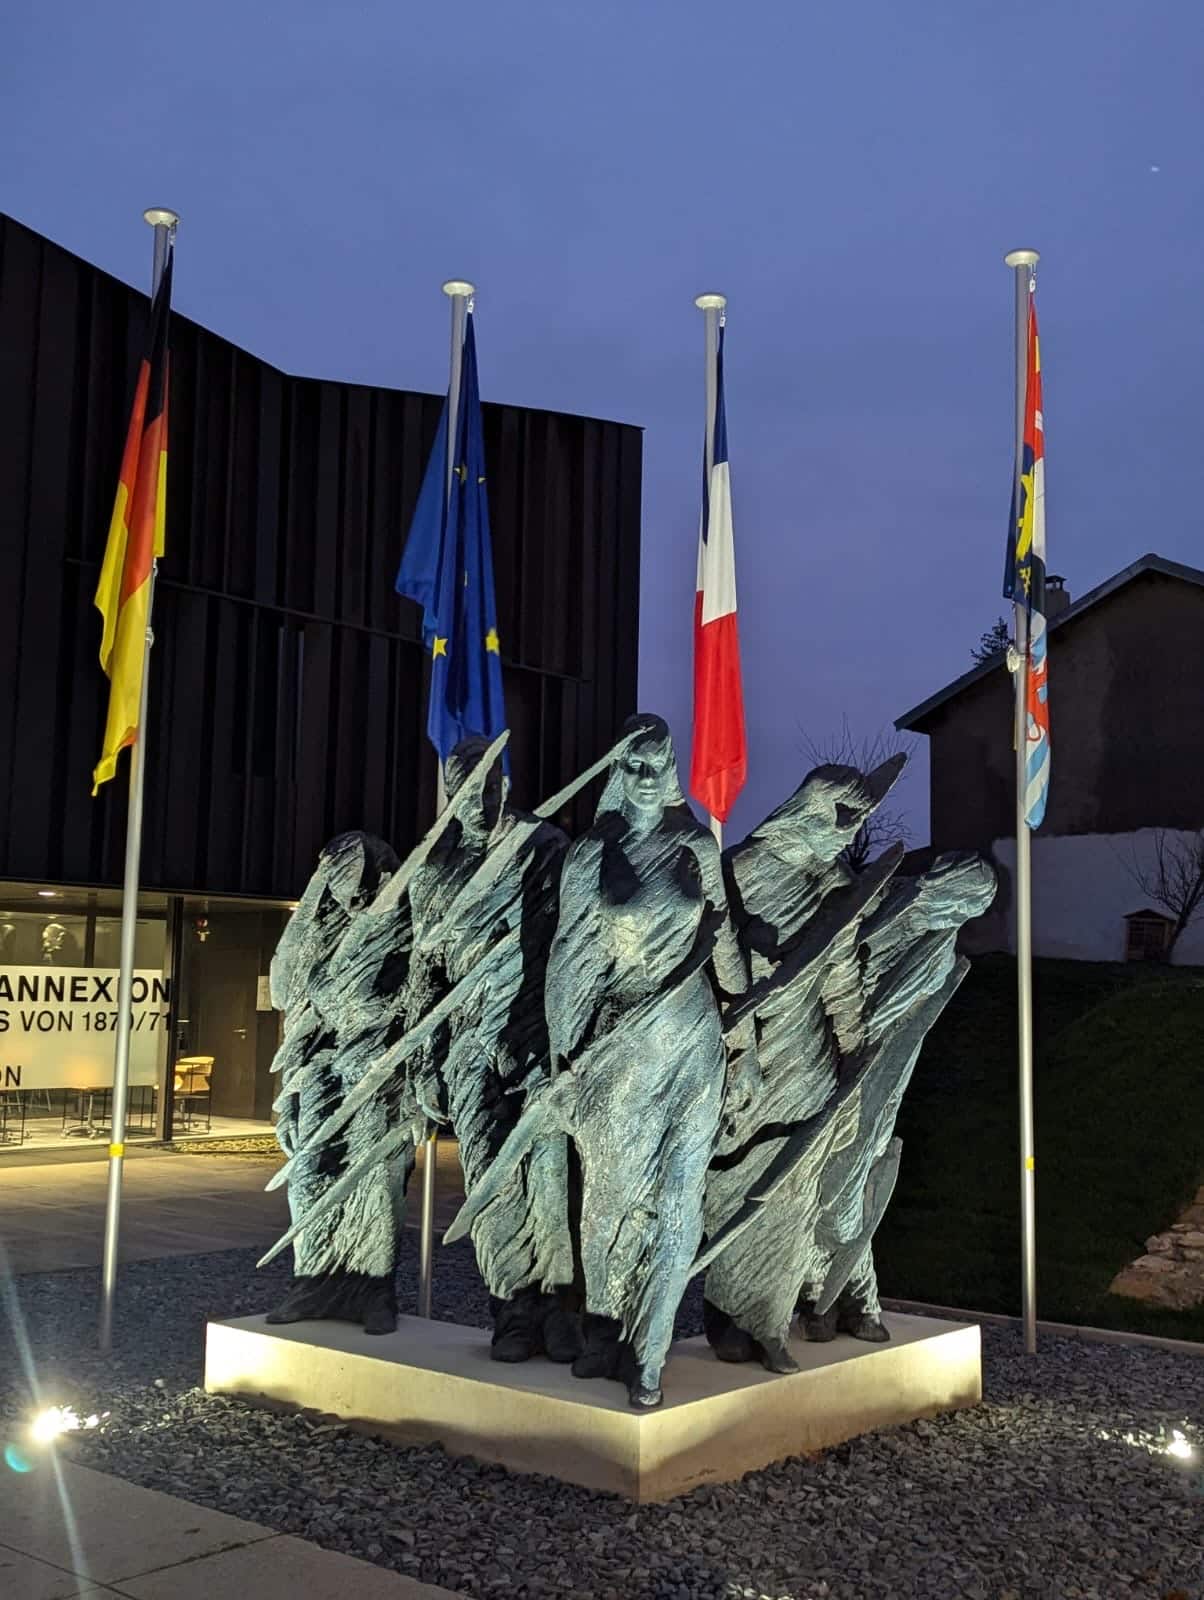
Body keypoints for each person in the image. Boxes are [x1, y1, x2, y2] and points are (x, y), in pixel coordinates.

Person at [545, 713, 755, 1408]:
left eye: (656, 765)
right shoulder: (589, 855)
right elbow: (568, 965)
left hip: (692, 1038)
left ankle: (651, 1346)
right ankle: (604, 1323)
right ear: (616, 771)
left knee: (677, 1198)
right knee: (608, 1195)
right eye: (631, 765)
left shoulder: (695, 844)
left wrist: (745, 1045)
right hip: (620, 1043)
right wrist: (563, 1060)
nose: (643, 778)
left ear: (670, 770)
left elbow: (723, 943)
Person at [408, 736, 573, 1361]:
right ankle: (512, 1308)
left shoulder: (544, 847)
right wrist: (426, 1060)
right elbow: (427, 976)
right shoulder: (435, 869)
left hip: (537, 1033)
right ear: (449, 794)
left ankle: (561, 1306)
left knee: (548, 1175)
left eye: (488, 783)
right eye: (464, 787)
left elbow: (576, 943)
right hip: (470, 1040)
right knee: (488, 1180)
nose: (477, 798)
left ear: (505, 784)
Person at [265, 830, 411, 1334]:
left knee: (373, 1176)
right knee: (308, 1173)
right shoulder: (320, 930)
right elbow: (287, 994)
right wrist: (286, 1100)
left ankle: (373, 1287)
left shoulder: (400, 923)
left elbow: (420, 996)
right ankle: (313, 1281)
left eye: (352, 875)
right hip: (319, 1067)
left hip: (377, 1066)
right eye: (335, 878)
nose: (346, 889)